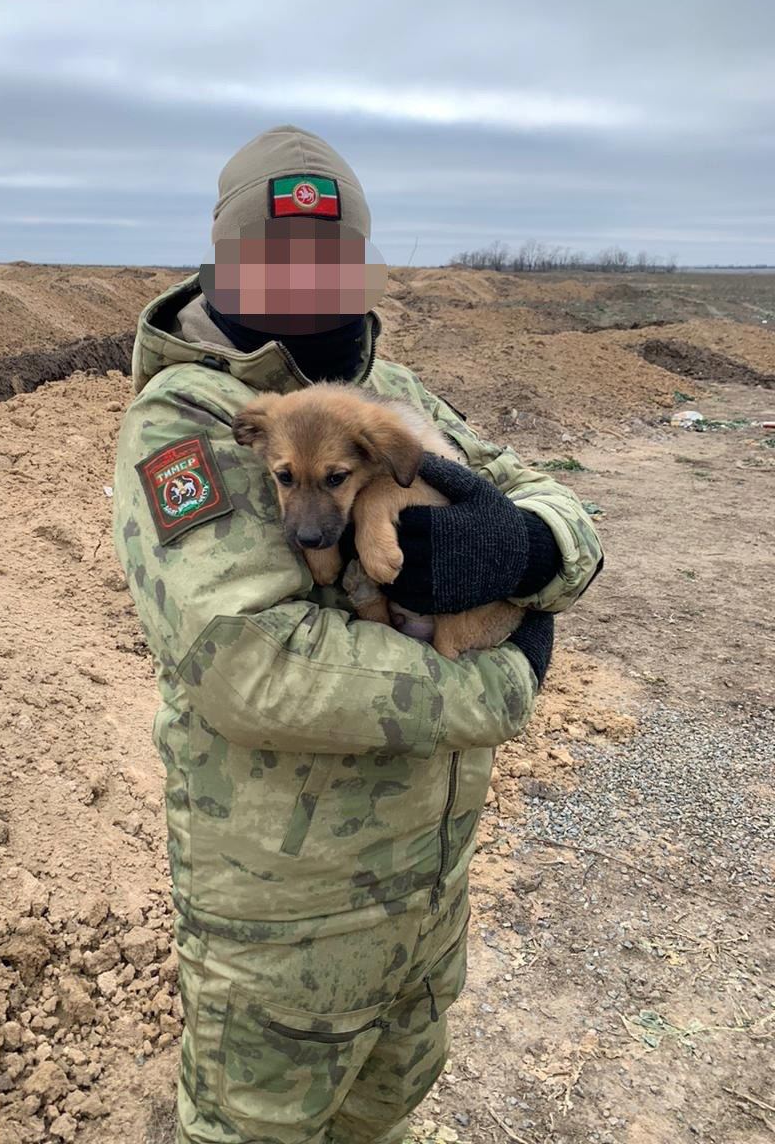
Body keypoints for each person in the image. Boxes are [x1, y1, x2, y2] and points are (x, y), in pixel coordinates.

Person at [112, 126, 603, 1144]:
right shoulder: (196, 419)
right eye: (273, 254)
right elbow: (253, 667)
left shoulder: (396, 400)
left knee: (385, 1115)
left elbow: (556, 502)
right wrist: (507, 681)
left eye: (328, 255)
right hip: (285, 920)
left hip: (426, 889)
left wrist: (527, 546)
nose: (303, 279)